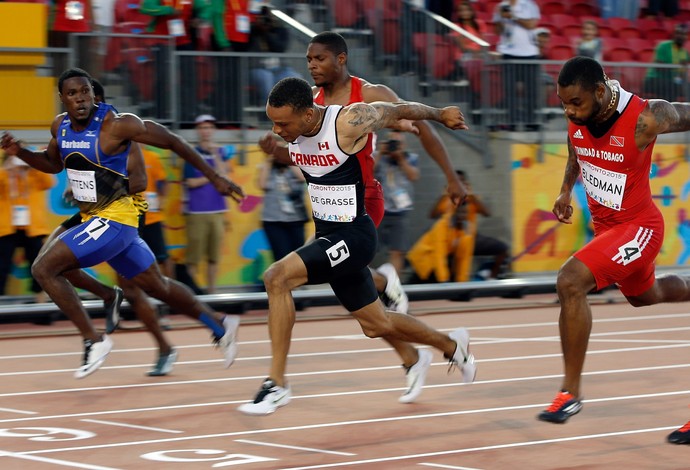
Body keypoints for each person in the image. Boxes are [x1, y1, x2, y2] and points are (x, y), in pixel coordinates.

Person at [237, 77, 476, 416]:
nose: (277, 130)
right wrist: (277, 151)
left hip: (354, 236)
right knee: (377, 325)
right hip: (328, 236)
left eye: (282, 124)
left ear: (307, 115)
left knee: (277, 277)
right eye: (272, 123)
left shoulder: (346, 121)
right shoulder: (295, 135)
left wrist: (439, 113)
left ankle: (276, 384)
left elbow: (396, 109)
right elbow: (309, 158)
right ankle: (452, 345)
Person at [0, 68, 244, 379]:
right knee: (158, 286)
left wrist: (215, 177)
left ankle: (94, 339)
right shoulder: (59, 127)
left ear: (94, 95)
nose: (81, 99)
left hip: (117, 217)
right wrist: (19, 151)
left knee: (44, 268)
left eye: (85, 92)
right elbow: (51, 163)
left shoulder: (118, 125)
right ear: (62, 98)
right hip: (95, 217)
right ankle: (218, 323)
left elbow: (172, 142)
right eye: (73, 94)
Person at [537, 57, 690, 446]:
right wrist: (565, 189)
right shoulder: (579, 117)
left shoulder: (647, 118)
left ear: (601, 93)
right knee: (645, 296)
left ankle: (569, 394)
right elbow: (576, 150)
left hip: (639, 228)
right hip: (609, 230)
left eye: (574, 103)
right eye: (563, 104)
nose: (568, 111)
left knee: (570, 281)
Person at [259, 31, 468, 315]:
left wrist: (451, 178)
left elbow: (421, 126)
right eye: (308, 59)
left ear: (341, 58)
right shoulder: (307, 100)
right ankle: (386, 289)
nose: (312, 65)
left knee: (320, 263)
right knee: (338, 271)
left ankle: (387, 290)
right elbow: (304, 152)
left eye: (319, 58)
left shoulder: (370, 93)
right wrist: (276, 150)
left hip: (364, 195)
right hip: (327, 197)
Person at [183, 115, 232, 294]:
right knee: (194, 257)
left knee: (214, 257)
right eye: (203, 128)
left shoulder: (221, 153)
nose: (206, 131)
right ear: (198, 131)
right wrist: (212, 176)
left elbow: (226, 179)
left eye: (209, 127)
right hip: (197, 213)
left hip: (218, 211)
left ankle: (212, 292)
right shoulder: (190, 154)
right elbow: (190, 182)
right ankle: (191, 293)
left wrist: (217, 156)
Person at [430, 170, 510, 280]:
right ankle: (451, 283)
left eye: (461, 181)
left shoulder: (472, 198)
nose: (458, 184)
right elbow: (432, 215)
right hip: (450, 239)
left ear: (466, 183)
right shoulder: (446, 199)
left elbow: (487, 213)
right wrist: (443, 195)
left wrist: (471, 195)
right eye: (455, 181)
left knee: (503, 248)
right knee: (450, 259)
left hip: (470, 237)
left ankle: (491, 278)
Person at [0, 145, 55, 302]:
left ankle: (41, 304)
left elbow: (49, 182)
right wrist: (8, 170)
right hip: (7, 229)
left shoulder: (34, 175)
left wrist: (33, 165)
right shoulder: (4, 175)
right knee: (1, 267)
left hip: (33, 229)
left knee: (39, 266)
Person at [374, 131, 419, 276]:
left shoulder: (410, 158)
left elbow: (414, 176)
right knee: (367, 248)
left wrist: (400, 158)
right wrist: (381, 153)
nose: (394, 147)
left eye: (398, 144)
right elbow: (367, 173)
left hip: (400, 211)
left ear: (404, 145)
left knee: (397, 251)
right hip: (378, 209)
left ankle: (394, 287)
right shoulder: (377, 157)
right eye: (392, 143)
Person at [493, 0, 541, 130]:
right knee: (509, 90)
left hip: (529, 53)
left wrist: (513, 16)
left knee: (531, 90)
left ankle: (531, 121)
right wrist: (500, 19)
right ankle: (512, 121)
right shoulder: (500, 7)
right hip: (508, 52)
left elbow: (531, 25)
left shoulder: (529, 5)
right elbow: (497, 31)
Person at [257, 154, 308, 263]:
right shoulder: (267, 168)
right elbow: (262, 184)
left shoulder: (296, 167)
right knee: (280, 257)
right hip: (273, 221)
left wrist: (288, 159)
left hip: (296, 219)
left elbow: (303, 177)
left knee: (299, 257)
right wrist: (268, 161)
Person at [643, 24, 689, 102]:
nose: (680, 36)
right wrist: (677, 66)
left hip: (672, 81)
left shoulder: (685, 53)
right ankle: (668, 112)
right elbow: (660, 66)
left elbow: (682, 73)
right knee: (671, 87)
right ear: (674, 34)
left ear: (686, 37)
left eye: (683, 34)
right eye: (678, 33)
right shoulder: (663, 46)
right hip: (655, 79)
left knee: (686, 86)